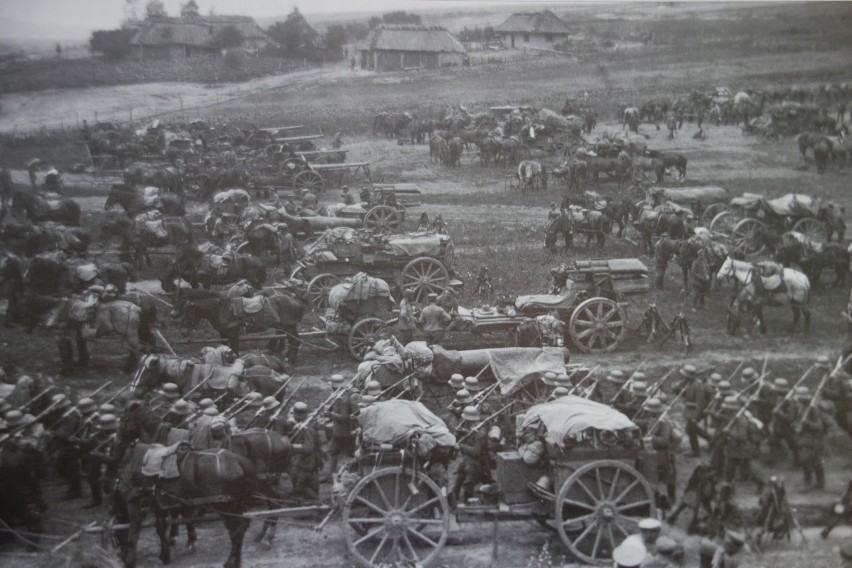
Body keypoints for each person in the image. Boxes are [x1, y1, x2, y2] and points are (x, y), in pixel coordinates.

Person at [640, 398, 679, 508]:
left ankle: (670, 499)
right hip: (654, 452)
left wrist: (651, 438)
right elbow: (644, 424)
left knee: (667, 476)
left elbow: (665, 441)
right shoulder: (653, 420)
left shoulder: (664, 422)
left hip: (663, 454)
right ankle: (655, 496)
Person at [45, 394, 82, 499]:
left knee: (71, 469)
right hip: (65, 446)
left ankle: (75, 491)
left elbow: (67, 434)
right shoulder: (67, 413)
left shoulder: (72, 415)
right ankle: (72, 488)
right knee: (63, 467)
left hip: (71, 446)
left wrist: (52, 433)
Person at [794, 386, 830, 492]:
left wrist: (806, 423)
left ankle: (809, 483)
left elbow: (819, 427)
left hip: (814, 439)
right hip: (805, 438)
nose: (798, 401)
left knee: (807, 460)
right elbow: (797, 421)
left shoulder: (813, 409)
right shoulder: (801, 407)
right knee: (813, 460)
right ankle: (820, 482)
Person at [80, 413, 119, 508]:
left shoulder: (119, 438)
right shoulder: (104, 434)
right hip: (104, 457)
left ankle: (116, 502)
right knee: (92, 475)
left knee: (111, 484)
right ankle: (96, 499)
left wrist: (99, 454)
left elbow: (116, 459)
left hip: (114, 462)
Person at [289, 401, 321, 502]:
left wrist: (292, 447)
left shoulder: (307, 429)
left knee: (302, 486)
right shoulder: (302, 424)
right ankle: (306, 502)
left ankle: (318, 504)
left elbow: (308, 448)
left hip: (307, 462)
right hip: (301, 461)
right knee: (298, 480)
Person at [325, 374, 356, 480]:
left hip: (345, 431)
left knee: (348, 454)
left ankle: (346, 476)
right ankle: (330, 475)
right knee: (333, 451)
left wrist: (329, 414)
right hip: (340, 430)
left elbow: (345, 417)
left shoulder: (342, 397)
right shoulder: (341, 394)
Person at [682, 364, 709, 457]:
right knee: (691, 429)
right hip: (691, 410)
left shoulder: (698, 385)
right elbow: (678, 391)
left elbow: (700, 403)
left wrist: (695, 417)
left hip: (697, 411)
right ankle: (711, 440)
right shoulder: (689, 383)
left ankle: (696, 451)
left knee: (690, 429)